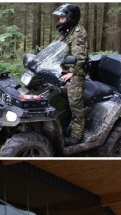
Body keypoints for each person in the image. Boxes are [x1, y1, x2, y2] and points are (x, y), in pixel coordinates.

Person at [52, 4, 88, 145]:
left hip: (76, 72)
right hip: (61, 69)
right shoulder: (64, 31)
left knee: (75, 103)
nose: (60, 20)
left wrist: (72, 73)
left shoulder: (78, 33)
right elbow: (54, 48)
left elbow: (79, 57)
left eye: (63, 17)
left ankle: (76, 135)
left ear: (71, 18)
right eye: (60, 18)